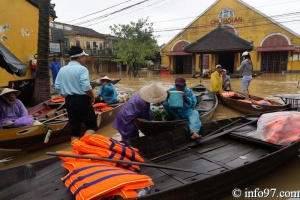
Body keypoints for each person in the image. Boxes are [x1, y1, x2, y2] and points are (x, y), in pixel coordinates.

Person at [55, 46, 98, 142]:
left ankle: (75, 151)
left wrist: (65, 95)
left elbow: (57, 87)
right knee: (92, 126)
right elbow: (86, 86)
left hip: (69, 101)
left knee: (75, 130)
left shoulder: (62, 70)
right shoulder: (82, 69)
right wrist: (92, 97)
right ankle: (82, 145)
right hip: (82, 100)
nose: (85, 59)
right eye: (84, 57)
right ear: (80, 57)